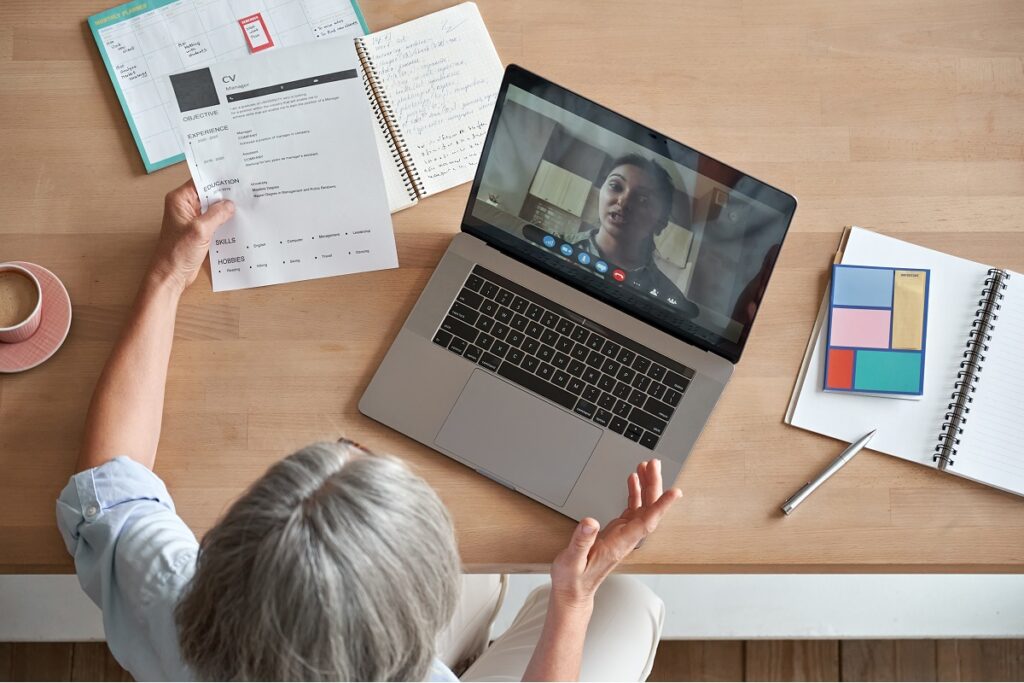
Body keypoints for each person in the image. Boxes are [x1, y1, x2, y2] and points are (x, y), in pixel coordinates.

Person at [56, 180, 682, 681]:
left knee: (485, 579)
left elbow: (109, 480)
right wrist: (573, 599)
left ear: (225, 562)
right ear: (410, 633)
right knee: (623, 607)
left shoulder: (174, 603)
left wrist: (168, 275)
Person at [568, 154, 698, 317]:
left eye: (643, 199)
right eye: (615, 186)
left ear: (661, 223)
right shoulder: (556, 245)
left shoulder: (670, 299)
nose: (623, 201)